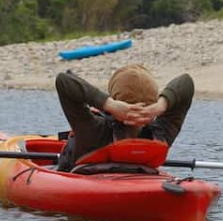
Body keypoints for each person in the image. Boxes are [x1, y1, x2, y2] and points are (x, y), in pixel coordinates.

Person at [54, 64, 195, 170]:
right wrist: (161, 105)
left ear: (115, 99)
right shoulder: (163, 132)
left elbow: (63, 81)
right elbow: (186, 82)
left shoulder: (94, 131)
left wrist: (108, 104)